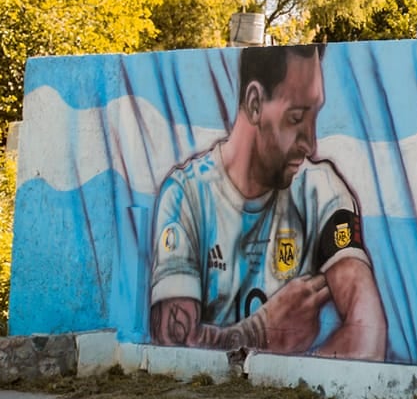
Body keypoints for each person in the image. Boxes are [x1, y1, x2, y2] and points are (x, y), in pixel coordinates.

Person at [148, 44, 387, 359]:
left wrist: (293, 380)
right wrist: (260, 332)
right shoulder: (186, 196)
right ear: (255, 103)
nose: (310, 143)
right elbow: (175, 344)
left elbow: (368, 331)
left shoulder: (320, 191)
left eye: (314, 115)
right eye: (296, 117)